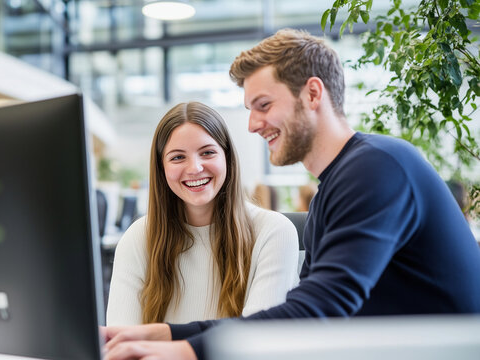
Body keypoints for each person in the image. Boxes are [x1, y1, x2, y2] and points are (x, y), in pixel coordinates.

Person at [102, 29, 480, 360]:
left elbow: (320, 310)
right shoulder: (333, 190)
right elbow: (300, 315)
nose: (252, 125)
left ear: (312, 93)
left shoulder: (377, 168)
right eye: (250, 110)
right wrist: (169, 333)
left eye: (263, 105)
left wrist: (186, 350)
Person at [106, 102, 300, 326]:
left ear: (227, 157)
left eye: (207, 152)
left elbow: (256, 338)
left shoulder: (273, 232)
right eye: (178, 157)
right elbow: (122, 343)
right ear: (162, 169)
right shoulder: (138, 238)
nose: (195, 168)